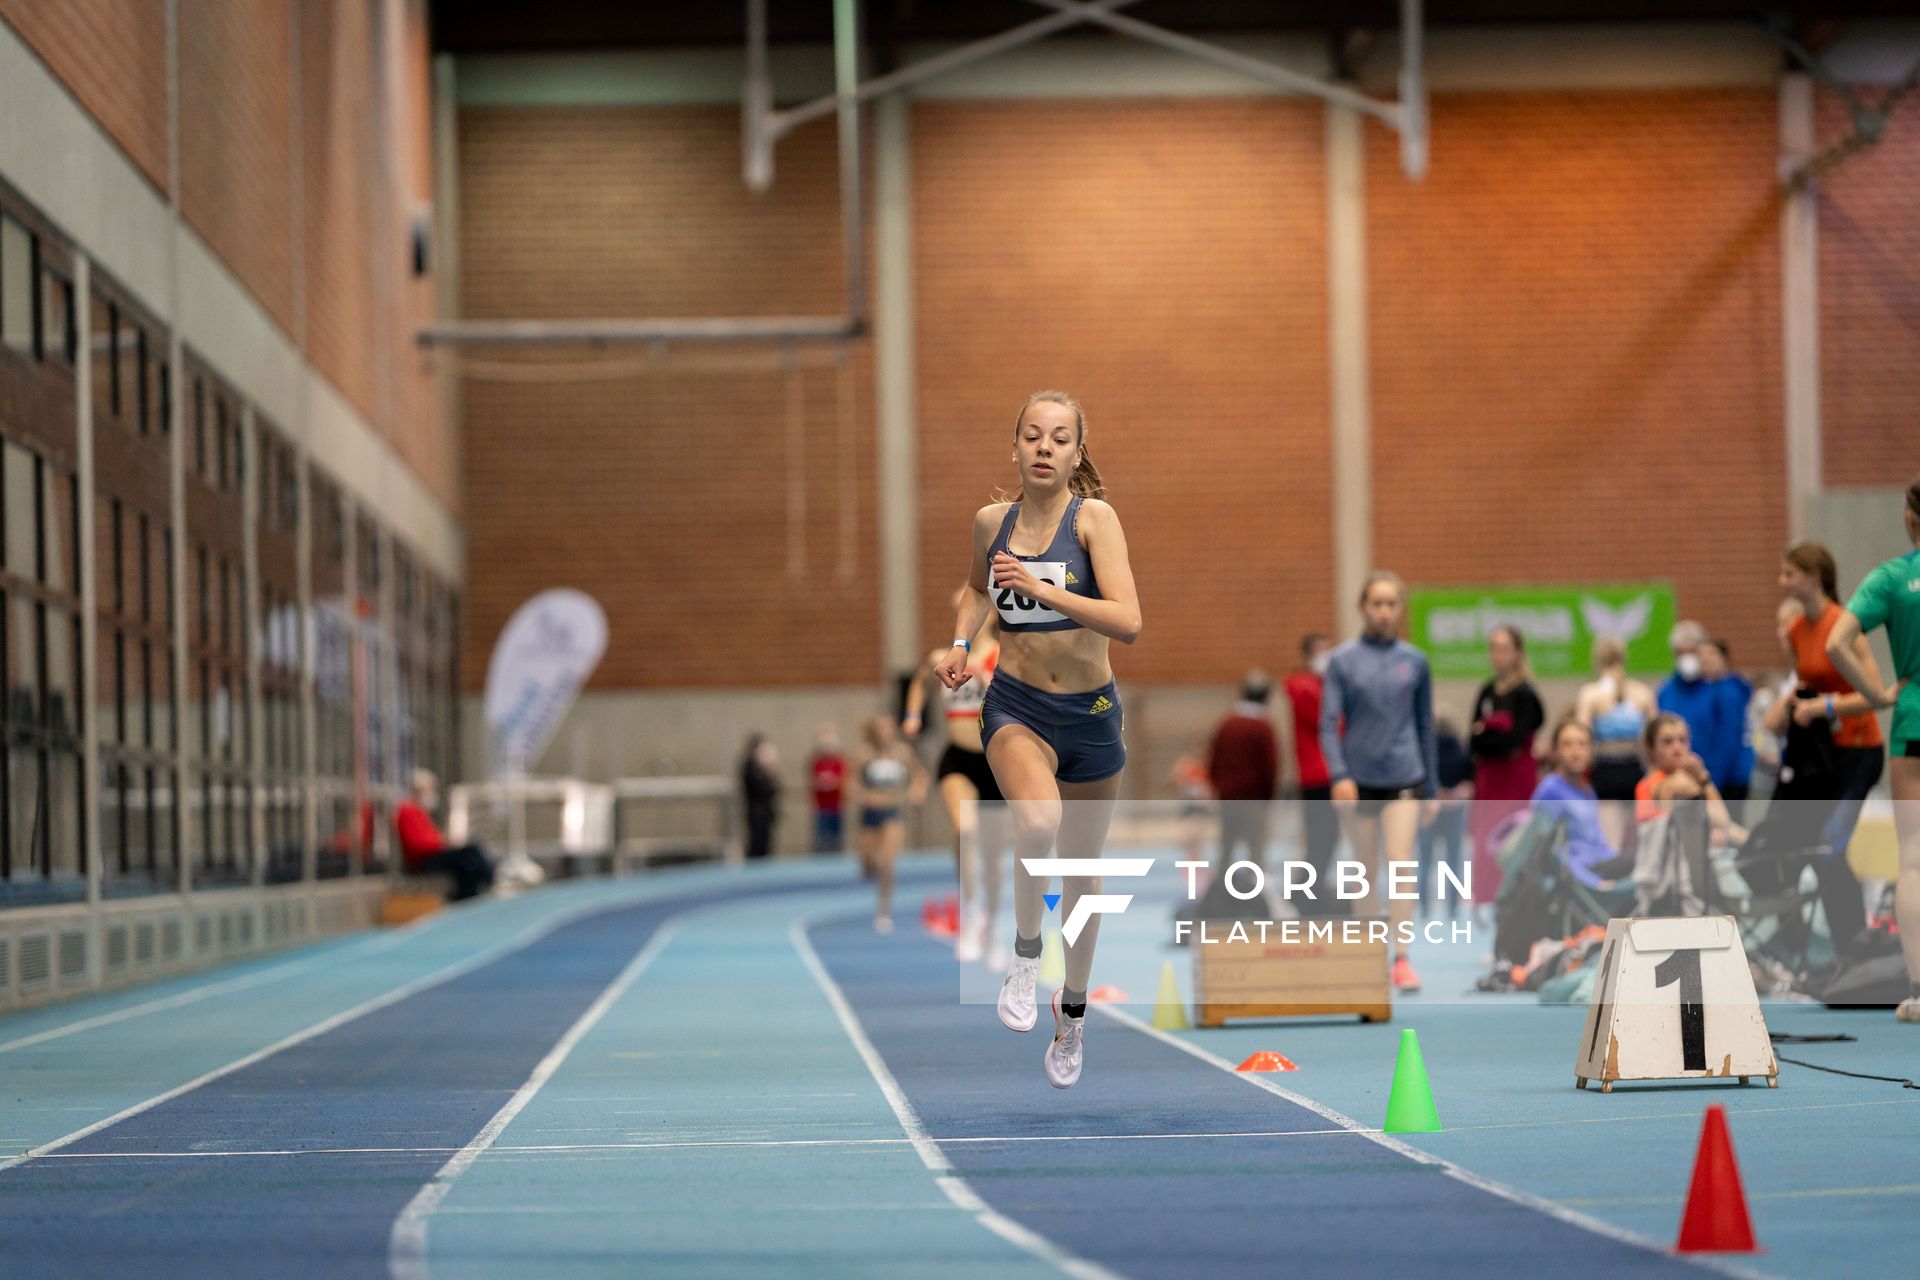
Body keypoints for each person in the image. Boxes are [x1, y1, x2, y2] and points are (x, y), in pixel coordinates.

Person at [937, 390, 1141, 1088]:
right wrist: (962, 642)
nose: (1045, 448)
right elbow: (974, 589)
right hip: (1018, 706)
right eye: (1032, 436)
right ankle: (1026, 957)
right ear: (1015, 448)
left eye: (1059, 438)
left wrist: (1042, 589)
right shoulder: (990, 522)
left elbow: (1129, 621)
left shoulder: (1096, 521)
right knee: (1037, 821)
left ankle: (1073, 1012)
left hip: (1092, 714)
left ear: (1077, 453)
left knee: (1084, 877)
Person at [1821, 476, 1920, 1023]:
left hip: (1913, 719)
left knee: (1913, 860)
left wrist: (1876, 693)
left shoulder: (1893, 576)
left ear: (1909, 517)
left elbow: (1837, 642)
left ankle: (1919, 991)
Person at [1321, 570, 1436, 993]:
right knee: (1364, 871)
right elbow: (1329, 724)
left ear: (1400, 609)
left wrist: (1433, 789)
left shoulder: (1415, 661)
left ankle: (1401, 958)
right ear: (1362, 608)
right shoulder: (1343, 661)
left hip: (1405, 777)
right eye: (1377, 603)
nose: (1384, 611)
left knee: (1401, 864)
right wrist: (1340, 774)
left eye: (1392, 604)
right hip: (1358, 780)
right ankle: (1369, 956)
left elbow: (1425, 725)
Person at [1772, 541, 1886, 959]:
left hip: (1860, 750)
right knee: (1811, 852)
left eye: (1790, 574)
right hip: (1822, 756)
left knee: (1829, 848)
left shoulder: (1844, 626)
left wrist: (1825, 706)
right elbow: (1804, 685)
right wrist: (1789, 709)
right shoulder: (1796, 630)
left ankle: (1853, 947)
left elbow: (1874, 694)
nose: (1782, 582)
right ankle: (1842, 949)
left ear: (1814, 577)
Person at [904, 590, 1009, 965]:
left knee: (995, 856)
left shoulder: (1004, 655)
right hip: (958, 759)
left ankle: (993, 926)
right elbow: (918, 681)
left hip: (996, 763)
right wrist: (914, 715)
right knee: (965, 832)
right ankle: (969, 914)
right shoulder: (942, 657)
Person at [1467, 625, 1544, 905]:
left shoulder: (1526, 695)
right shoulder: (1486, 691)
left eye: (1504, 648)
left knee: (1513, 844)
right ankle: (1487, 905)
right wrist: (1489, 737)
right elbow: (1473, 743)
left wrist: (1486, 732)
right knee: (1485, 847)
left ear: (1517, 653)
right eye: (1493, 648)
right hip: (1488, 784)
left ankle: (1515, 905)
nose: (1497, 655)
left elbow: (1514, 741)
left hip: (1516, 784)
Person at [1574, 635, 1657, 849]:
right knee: (1639, 842)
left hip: (1606, 771)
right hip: (1635, 770)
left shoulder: (1590, 694)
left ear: (1597, 659)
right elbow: (1654, 737)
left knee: (1611, 842)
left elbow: (1581, 736)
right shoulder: (1642, 692)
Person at [1659, 621, 1746, 822]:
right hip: (1680, 781)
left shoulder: (1718, 688)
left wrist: (1709, 781)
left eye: (1692, 651)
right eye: (1681, 652)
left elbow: (1729, 740)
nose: (1687, 657)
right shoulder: (1667, 690)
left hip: (1718, 778)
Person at [848, 715, 927, 933]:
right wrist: (860, 795)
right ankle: (869, 866)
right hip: (870, 814)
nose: (885, 733)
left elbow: (919, 777)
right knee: (868, 864)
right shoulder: (864, 753)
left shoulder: (903, 753)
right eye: (881, 728)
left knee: (887, 862)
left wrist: (916, 791)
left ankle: (883, 910)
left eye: (888, 728)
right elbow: (851, 781)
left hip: (893, 811)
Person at [1531, 720, 1632, 891]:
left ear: (1590, 751)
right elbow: (1549, 851)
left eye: (1582, 744)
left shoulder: (1587, 790)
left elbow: (1598, 841)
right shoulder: (1551, 789)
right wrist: (1594, 883)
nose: (1575, 751)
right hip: (1579, 875)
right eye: (1567, 744)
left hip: (1601, 864)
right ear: (1555, 751)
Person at [1207, 670, 1280, 904]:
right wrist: (1269, 799)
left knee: (1226, 848)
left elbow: (1214, 760)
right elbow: (1270, 767)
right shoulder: (1263, 727)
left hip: (1228, 798)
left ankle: (1220, 896)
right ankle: (1255, 899)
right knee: (1255, 852)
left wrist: (1219, 789)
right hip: (1253, 800)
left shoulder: (1227, 723)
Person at [1635, 712, 1748, 848]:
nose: (1677, 748)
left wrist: (1703, 777)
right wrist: (1701, 778)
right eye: (1667, 742)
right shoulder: (1659, 783)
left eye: (1682, 740)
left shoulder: (1689, 777)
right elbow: (1722, 819)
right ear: (1651, 748)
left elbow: (1722, 821)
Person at [1284, 634, 1340, 901]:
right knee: (1319, 839)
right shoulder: (1301, 687)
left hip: (1331, 774)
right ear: (1308, 657)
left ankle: (1311, 889)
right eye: (1321, 652)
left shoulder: (1324, 686)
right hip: (1315, 777)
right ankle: (1303, 893)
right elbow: (1331, 722)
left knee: (1329, 838)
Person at [394, 769, 496, 901]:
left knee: (469, 859)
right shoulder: (407, 811)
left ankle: (470, 893)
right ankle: (488, 879)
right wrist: (442, 842)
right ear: (418, 790)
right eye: (429, 790)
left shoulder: (420, 811)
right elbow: (417, 844)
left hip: (432, 854)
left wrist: (443, 840)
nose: (432, 794)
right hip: (422, 860)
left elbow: (431, 836)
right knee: (470, 853)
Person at [1418, 712, 1471, 918]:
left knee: (1424, 861)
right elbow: (1469, 781)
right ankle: (1453, 909)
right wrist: (1454, 794)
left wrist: (1436, 794)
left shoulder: (1426, 754)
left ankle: (1423, 907)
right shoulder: (1461, 751)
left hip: (1431, 809)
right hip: (1454, 809)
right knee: (1454, 860)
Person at [1699, 636, 1755, 822]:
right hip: (1727, 772)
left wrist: (1713, 780)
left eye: (1711, 654)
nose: (1706, 660)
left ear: (1724, 658)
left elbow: (1729, 739)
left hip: (1730, 775)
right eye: (1702, 656)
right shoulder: (1713, 690)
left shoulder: (1728, 692)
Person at [740, 733, 781, 860]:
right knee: (756, 844)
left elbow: (775, 789)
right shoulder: (749, 766)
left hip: (764, 813)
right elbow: (762, 788)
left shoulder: (759, 767)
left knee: (765, 844)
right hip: (757, 813)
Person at [808, 723, 846, 855]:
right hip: (822, 807)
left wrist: (833, 782)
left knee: (836, 839)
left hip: (836, 806)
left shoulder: (839, 761)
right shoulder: (817, 762)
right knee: (821, 839)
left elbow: (843, 780)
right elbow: (814, 781)